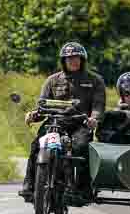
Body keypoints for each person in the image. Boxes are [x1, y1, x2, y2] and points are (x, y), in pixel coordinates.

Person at [19, 42, 106, 202]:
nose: (73, 61)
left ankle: (82, 189)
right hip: (55, 122)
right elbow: (42, 105)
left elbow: (98, 105)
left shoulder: (95, 81)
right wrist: (33, 115)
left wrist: (94, 118)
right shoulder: (52, 81)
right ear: (63, 61)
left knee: (81, 148)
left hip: (81, 124)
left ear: (82, 59)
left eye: (77, 58)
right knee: (37, 145)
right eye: (69, 58)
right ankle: (29, 185)